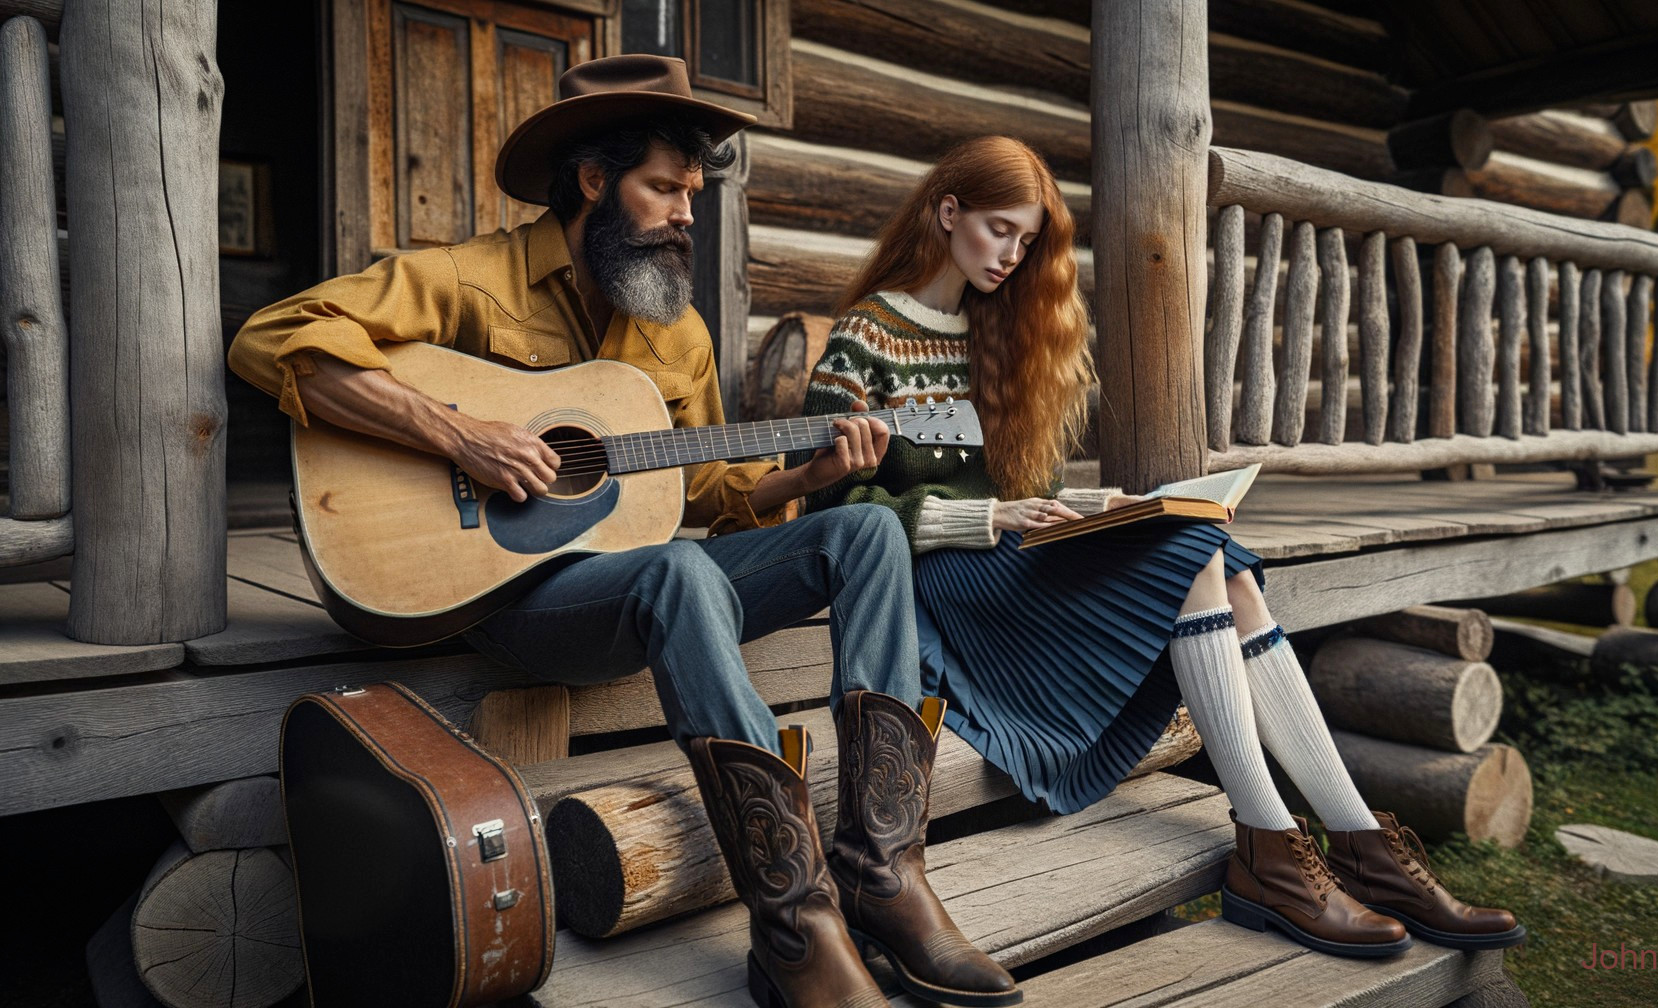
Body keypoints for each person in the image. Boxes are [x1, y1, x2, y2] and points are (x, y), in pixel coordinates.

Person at [230, 56, 1018, 1008]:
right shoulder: (468, 281)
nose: (689, 212)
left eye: (693, 192)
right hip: (494, 594)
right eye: (665, 189)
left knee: (865, 537)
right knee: (678, 575)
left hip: (626, 581)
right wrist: (461, 433)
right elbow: (273, 336)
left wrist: (811, 475)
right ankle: (794, 921)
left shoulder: (672, 332)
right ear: (595, 183)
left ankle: (885, 873)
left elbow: (714, 493)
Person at [802, 135, 1526, 959]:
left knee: (1215, 552)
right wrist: (987, 522)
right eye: (1000, 230)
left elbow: (1001, 493)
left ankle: (1356, 840)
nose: (1011, 255)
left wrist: (1081, 507)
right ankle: (1271, 849)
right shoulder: (866, 334)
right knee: (1192, 555)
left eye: (1027, 241)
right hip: (932, 584)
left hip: (1000, 556)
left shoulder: (991, 329)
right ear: (947, 211)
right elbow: (829, 507)